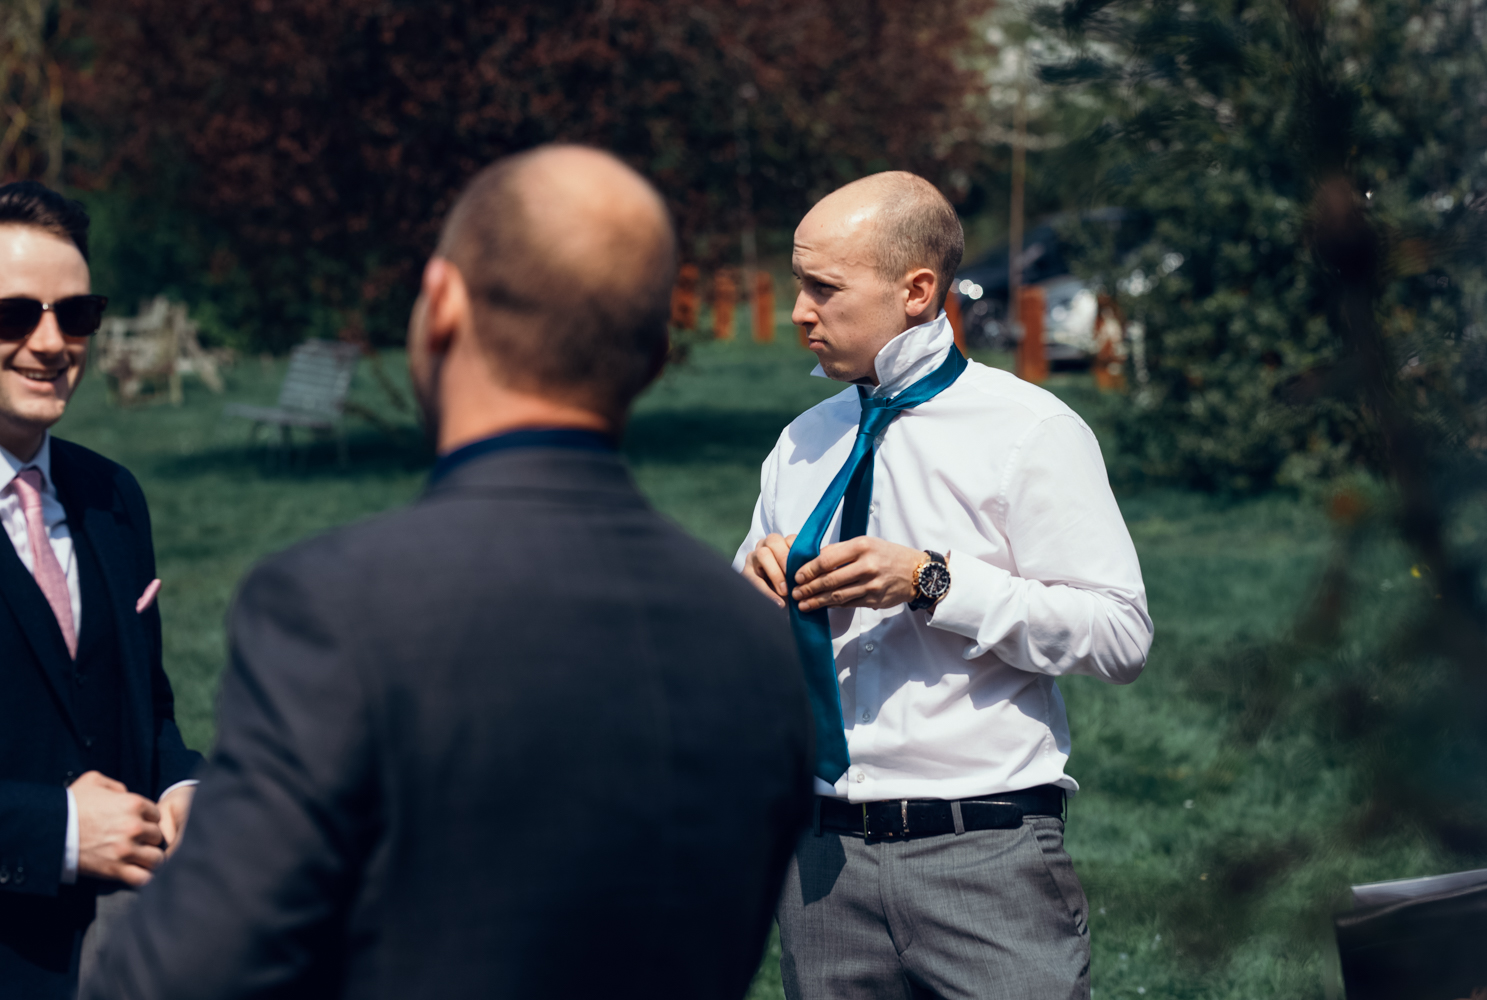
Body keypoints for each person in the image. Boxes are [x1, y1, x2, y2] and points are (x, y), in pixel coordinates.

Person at [86, 146, 814, 1000]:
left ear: (440, 306)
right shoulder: (757, 639)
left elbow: (184, 976)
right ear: (653, 357)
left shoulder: (334, 607)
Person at [736, 171, 1152, 1000]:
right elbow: (738, 633)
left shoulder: (1029, 432)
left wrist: (931, 582)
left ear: (916, 290)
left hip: (980, 847)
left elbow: (1119, 635)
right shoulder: (800, 442)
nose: (798, 313)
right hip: (819, 862)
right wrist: (749, 591)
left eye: (824, 287)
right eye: (797, 287)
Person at [0, 181, 202, 998]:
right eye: (14, 314)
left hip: (124, 962)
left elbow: (145, 707)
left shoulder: (113, 495)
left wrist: (183, 785)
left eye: (75, 314)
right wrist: (57, 831)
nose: (51, 343)